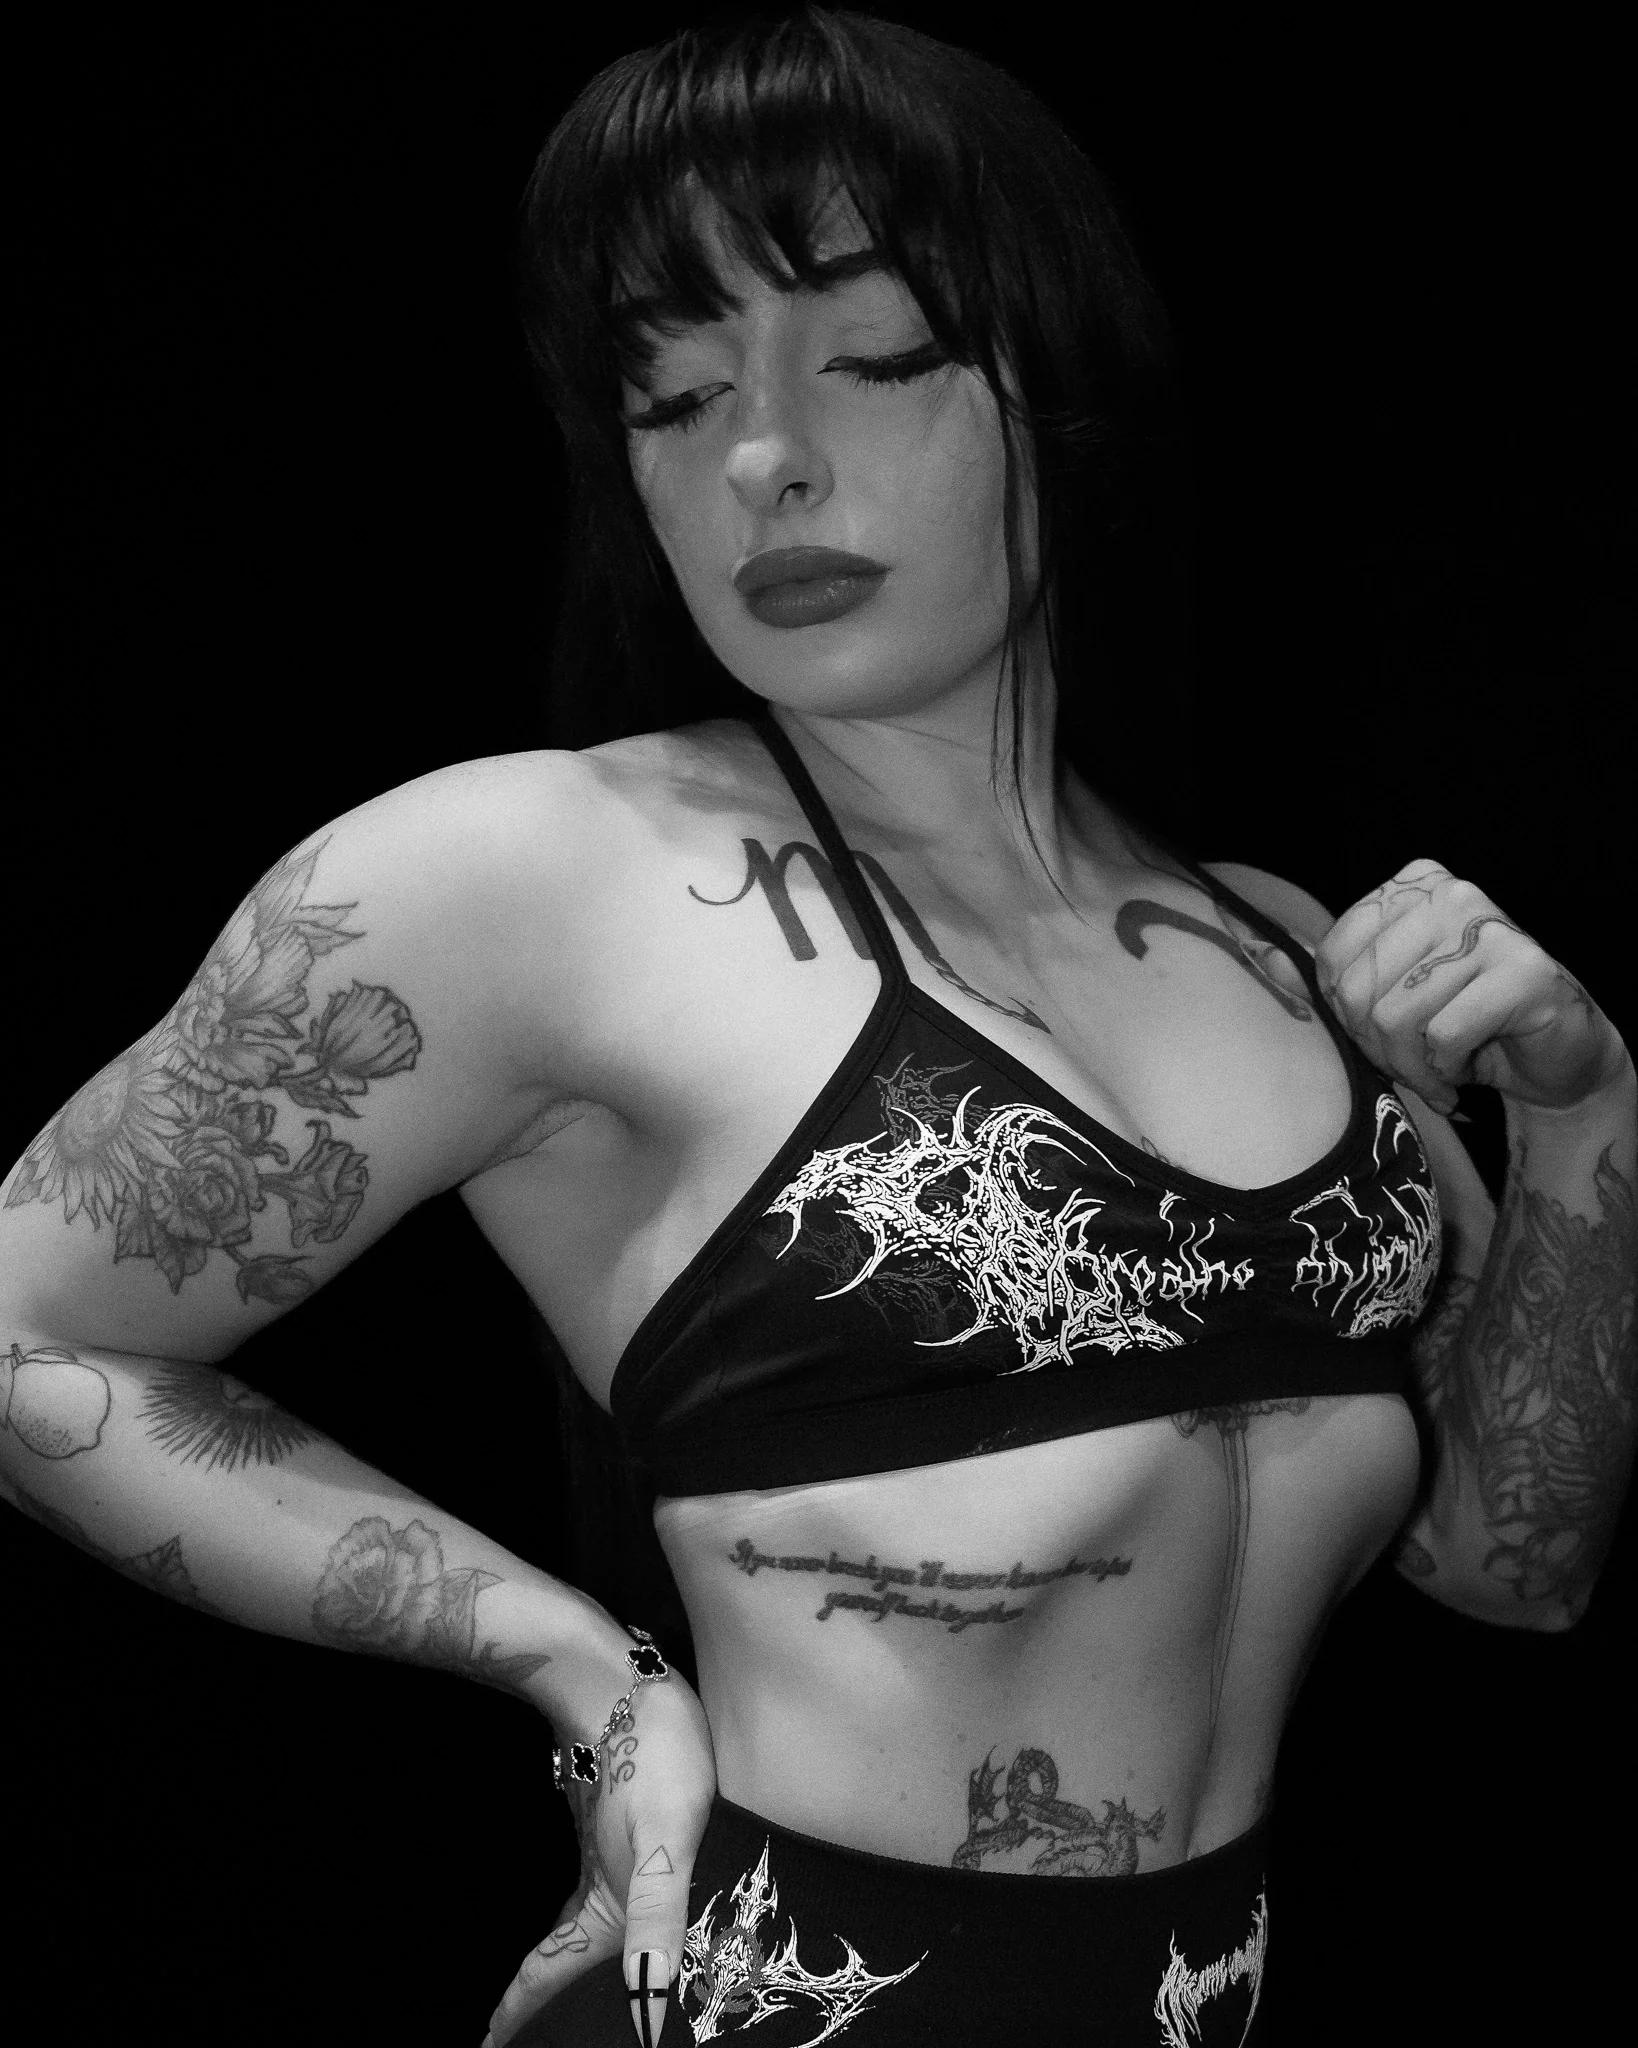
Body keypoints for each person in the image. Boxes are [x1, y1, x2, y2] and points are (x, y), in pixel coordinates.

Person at [3, 8, 1632, 2043]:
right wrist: (578, 1670)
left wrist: (1582, 1109)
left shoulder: (1283, 952)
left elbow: (1513, 1561)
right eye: (674, 394)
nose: (763, 454)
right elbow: (28, 1330)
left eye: (877, 355)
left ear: (1064, 395)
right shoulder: (536, 877)